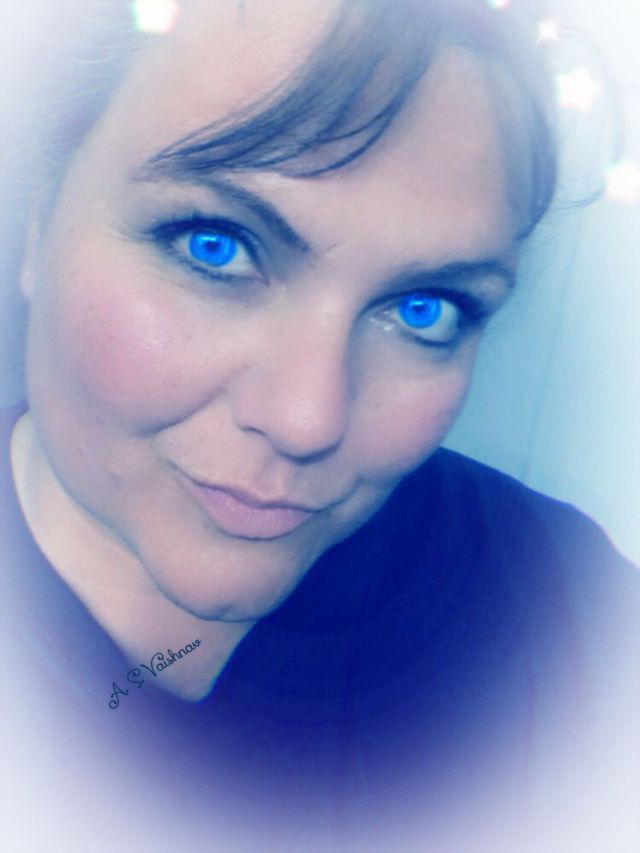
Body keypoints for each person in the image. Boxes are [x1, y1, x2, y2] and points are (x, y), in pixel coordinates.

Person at [1, 1, 638, 851]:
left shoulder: (566, 614)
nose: (308, 421)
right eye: (215, 245)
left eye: (424, 308)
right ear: (38, 223)